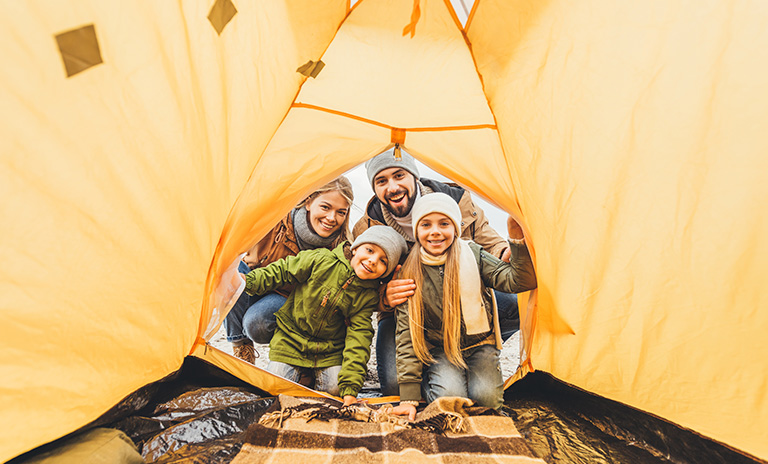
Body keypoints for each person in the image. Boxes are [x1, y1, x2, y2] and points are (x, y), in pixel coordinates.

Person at [353, 149, 521, 395]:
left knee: (512, 301)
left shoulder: (457, 201)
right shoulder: (367, 226)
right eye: (382, 181)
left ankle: (468, 354)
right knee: (394, 386)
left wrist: (504, 252)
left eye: (399, 175)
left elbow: (490, 241)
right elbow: (357, 287)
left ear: (413, 176)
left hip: (461, 300)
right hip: (405, 314)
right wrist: (383, 297)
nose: (392, 187)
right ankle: (439, 369)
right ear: (374, 188)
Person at [390, 194, 537, 419]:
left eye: (444, 223)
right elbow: (406, 336)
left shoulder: (473, 254)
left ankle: (467, 375)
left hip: (480, 345)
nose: (435, 231)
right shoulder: (409, 272)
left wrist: (517, 242)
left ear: (456, 228)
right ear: (417, 230)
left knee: (487, 403)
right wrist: (408, 397)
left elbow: (518, 281)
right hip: (441, 349)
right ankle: (432, 379)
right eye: (426, 225)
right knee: (450, 402)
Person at [242, 225, 407, 404]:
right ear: (355, 247)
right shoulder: (321, 259)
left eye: (383, 261)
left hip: (329, 350)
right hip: (290, 339)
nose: (373, 260)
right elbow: (283, 270)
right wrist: (249, 282)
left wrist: (351, 389)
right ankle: (303, 374)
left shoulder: (367, 295)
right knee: (274, 386)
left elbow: (359, 340)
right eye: (369, 250)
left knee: (334, 392)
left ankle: (315, 380)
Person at [226, 176, 354, 363]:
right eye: (325, 207)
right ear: (309, 201)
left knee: (257, 323)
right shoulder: (276, 217)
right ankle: (242, 350)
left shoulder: (341, 249)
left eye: (341, 212)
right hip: (256, 281)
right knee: (229, 270)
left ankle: (289, 352)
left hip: (289, 299)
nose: (331, 218)